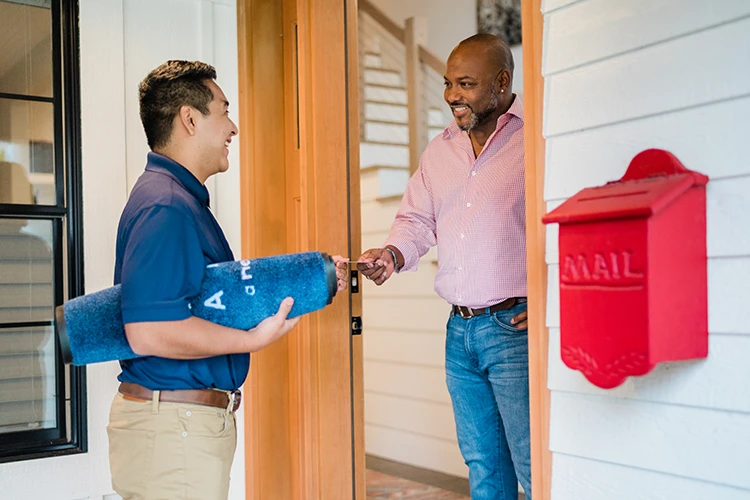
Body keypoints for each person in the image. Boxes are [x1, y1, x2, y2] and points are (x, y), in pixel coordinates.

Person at [107, 60, 348, 500]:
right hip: (174, 432)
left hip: (177, 429)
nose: (233, 126)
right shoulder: (166, 206)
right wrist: (252, 340)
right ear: (190, 118)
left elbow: (214, 297)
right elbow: (149, 331)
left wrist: (317, 275)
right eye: (224, 110)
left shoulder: (178, 201)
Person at [358, 34, 531, 500]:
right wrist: (392, 254)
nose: (453, 95)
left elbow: (556, 222)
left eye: (466, 84)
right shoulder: (439, 151)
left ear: (502, 82)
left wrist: (554, 300)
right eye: (448, 83)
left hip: (515, 329)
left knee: (534, 467)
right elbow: (415, 220)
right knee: (484, 467)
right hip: (461, 331)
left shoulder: (534, 141)